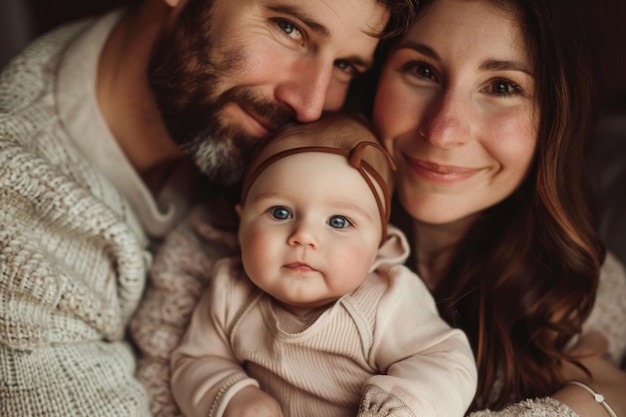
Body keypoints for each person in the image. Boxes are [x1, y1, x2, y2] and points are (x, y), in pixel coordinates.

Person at [0, 0, 419, 415]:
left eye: (345, 65)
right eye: (289, 28)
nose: (310, 105)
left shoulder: (275, 143)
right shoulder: (15, 230)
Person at [370, 0, 626, 416]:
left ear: (555, 119)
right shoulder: (277, 222)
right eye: (423, 70)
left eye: (502, 86)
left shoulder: (576, 285)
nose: (442, 130)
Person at [169, 112, 477, 417]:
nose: (303, 237)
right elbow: (194, 361)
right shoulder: (230, 292)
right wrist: (234, 397)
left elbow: (445, 360)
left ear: (381, 246)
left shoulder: (385, 301)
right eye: (280, 213)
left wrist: (402, 409)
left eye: (338, 221)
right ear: (242, 223)